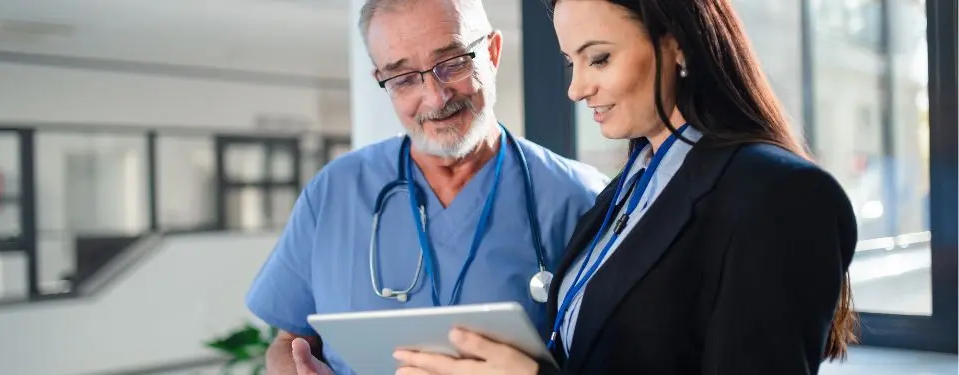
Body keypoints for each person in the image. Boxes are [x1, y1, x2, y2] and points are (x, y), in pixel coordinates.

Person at [392, 0, 860, 374]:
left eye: (599, 58)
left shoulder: (777, 195)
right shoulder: (627, 190)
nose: (576, 89)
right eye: (571, 62)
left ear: (679, 46)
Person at [244, 0, 609, 374]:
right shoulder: (333, 193)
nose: (435, 98)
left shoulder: (580, 198)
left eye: (453, 63)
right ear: (383, 83)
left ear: (493, 52)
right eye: (403, 79)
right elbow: (290, 342)